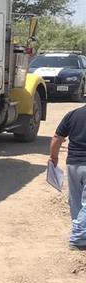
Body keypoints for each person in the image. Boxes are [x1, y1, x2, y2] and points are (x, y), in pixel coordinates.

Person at [51, 104, 86, 247]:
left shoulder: (72, 115)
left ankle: (81, 236)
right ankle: (79, 237)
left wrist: (53, 157)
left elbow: (57, 137)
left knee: (76, 201)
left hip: (73, 164)